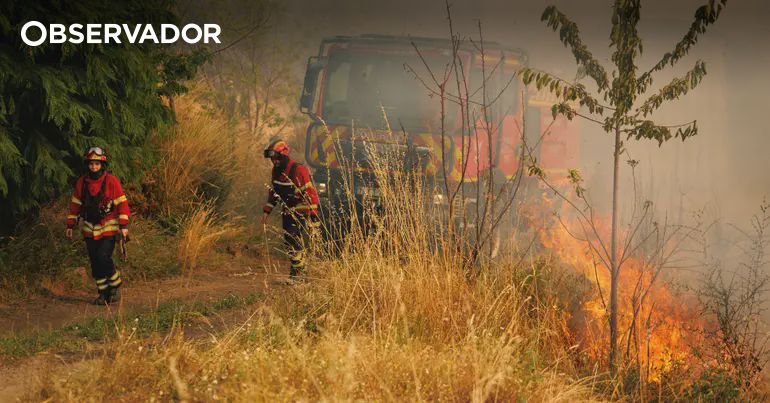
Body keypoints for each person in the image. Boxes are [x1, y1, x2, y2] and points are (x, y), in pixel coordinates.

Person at [65, 147, 130, 305]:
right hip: (89, 229)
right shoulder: (82, 183)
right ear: (87, 164)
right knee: (95, 261)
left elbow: (122, 203)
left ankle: (115, 285)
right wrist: (70, 224)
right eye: (91, 163)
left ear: (102, 164)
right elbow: (75, 204)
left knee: (103, 256)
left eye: (97, 163)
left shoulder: (111, 181)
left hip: (108, 227)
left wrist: (124, 225)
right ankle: (103, 293)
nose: (94, 167)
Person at [261, 139, 320, 279]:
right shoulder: (276, 171)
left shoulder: (299, 170)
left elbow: (311, 194)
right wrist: (266, 212)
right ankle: (298, 271)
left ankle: (299, 273)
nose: (274, 161)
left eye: (276, 158)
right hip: (287, 210)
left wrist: (313, 218)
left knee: (292, 238)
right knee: (289, 242)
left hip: (302, 209)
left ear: (284, 155)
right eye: (272, 159)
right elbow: (274, 192)